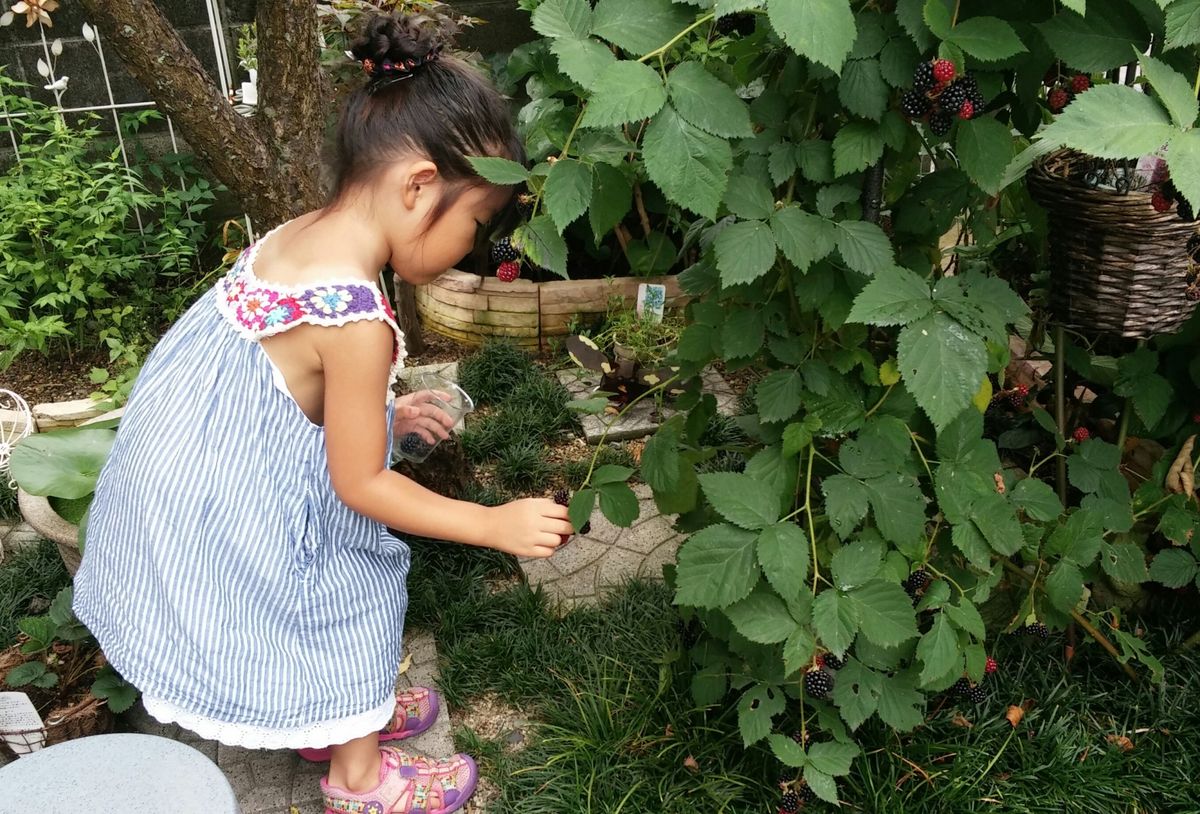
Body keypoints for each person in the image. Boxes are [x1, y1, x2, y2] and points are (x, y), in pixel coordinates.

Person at [72, 14, 573, 814]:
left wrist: (388, 413)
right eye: (474, 225)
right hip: (240, 515)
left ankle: (338, 716)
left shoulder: (297, 236)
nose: (470, 249)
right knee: (351, 579)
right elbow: (361, 485)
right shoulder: (357, 321)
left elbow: (289, 390)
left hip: (198, 487)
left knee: (336, 568)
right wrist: (492, 523)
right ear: (417, 186)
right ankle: (358, 779)